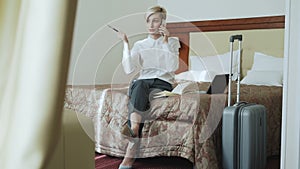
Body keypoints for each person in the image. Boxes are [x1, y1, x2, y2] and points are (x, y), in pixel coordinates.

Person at [116, 5, 180, 169]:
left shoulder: (173, 42)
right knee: (139, 85)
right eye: (148, 21)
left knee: (138, 89)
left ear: (163, 23)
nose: (151, 25)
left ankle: (132, 141)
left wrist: (165, 42)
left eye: (156, 21)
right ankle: (135, 129)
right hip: (143, 83)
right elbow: (129, 69)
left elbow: (172, 67)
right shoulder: (140, 44)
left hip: (163, 83)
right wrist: (125, 44)